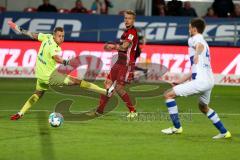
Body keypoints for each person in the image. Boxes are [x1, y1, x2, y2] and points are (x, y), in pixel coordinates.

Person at [7, 20, 115, 120]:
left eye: (63, 36)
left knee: (38, 94)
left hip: (40, 76)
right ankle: (106, 92)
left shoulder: (47, 37)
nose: (61, 38)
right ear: (54, 35)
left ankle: (20, 113)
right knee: (78, 81)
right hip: (50, 76)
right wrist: (66, 62)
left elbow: (32, 35)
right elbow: (57, 58)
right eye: (59, 36)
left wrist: (18, 28)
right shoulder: (55, 47)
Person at [161, 18, 231, 139]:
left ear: (194, 28)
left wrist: (197, 54)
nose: (189, 30)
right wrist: (180, 81)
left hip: (201, 82)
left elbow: (199, 46)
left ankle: (177, 127)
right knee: (203, 107)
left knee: (168, 95)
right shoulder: (205, 43)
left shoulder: (195, 39)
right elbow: (194, 68)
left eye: (189, 28)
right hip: (209, 81)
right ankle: (224, 132)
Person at [90, 10, 139, 118]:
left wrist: (114, 46)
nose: (127, 20)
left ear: (133, 20)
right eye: (125, 18)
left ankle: (133, 111)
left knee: (119, 88)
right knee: (107, 84)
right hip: (119, 62)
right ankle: (99, 111)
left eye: (129, 18)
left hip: (126, 63)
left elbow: (125, 46)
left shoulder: (132, 32)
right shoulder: (125, 32)